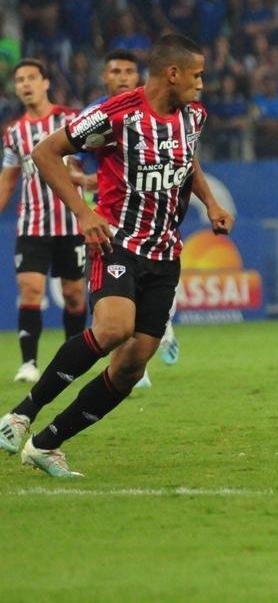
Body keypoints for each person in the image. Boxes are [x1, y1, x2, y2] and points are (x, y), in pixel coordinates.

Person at [0, 33, 232, 478]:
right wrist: (83, 213)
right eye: (197, 75)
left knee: (129, 366)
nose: (202, 84)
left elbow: (186, 162)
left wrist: (210, 202)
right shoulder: (117, 114)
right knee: (112, 329)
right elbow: (46, 152)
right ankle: (22, 414)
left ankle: (46, 445)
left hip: (165, 252)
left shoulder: (194, 116)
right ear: (172, 73)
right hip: (117, 241)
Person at [78, 50, 182, 390]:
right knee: (115, 298)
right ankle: (139, 355)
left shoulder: (153, 111)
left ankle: (159, 333)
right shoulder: (94, 115)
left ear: (138, 77)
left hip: (148, 215)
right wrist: (83, 184)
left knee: (153, 278)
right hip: (106, 219)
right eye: (115, 71)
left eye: (128, 71)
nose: (122, 77)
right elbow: (67, 159)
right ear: (105, 77)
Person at [0, 59, 87, 383]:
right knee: (30, 288)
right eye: (19, 80)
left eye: (31, 78)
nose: (25, 84)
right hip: (33, 225)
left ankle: (71, 360)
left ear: (45, 82)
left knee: (74, 294)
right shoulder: (14, 132)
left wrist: (84, 181)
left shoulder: (71, 120)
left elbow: (86, 162)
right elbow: (8, 181)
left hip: (71, 222)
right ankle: (29, 363)